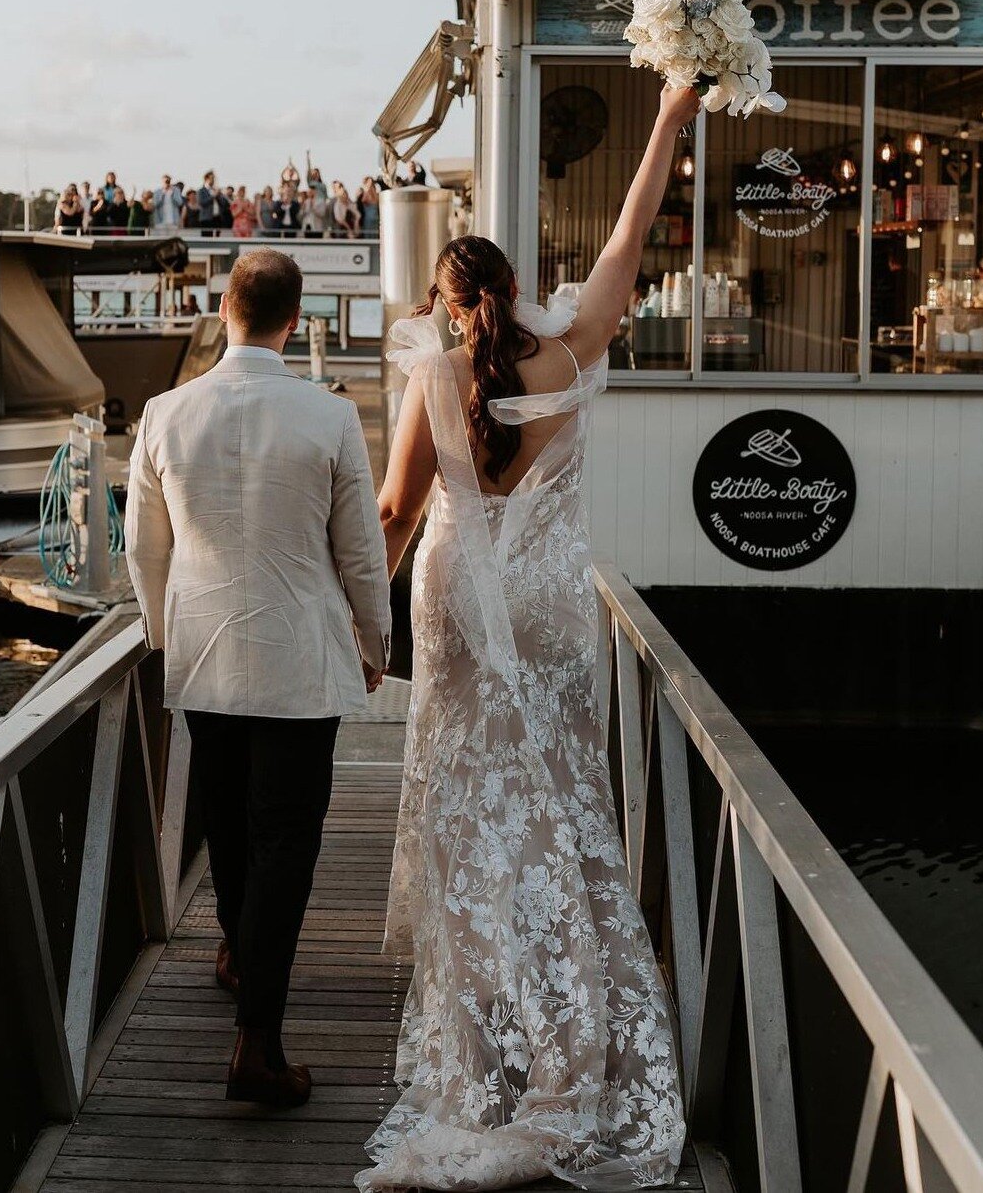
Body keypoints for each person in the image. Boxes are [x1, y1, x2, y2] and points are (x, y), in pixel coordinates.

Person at [359, 84, 699, 1192]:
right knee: (557, 790)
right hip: (552, 599)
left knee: (467, 799)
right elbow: (630, 230)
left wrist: (362, 619)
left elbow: (397, 514)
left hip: (457, 600)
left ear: (445, 300)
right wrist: (668, 117)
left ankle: (482, 1031)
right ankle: (571, 1021)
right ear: (512, 288)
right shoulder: (572, 347)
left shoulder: (434, 375)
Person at [126, 249, 391, 1110]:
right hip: (298, 657)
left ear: (225, 308)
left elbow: (143, 548)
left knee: (233, 826)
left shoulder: (165, 412)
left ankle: (239, 956)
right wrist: (375, 637)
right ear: (294, 317)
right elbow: (359, 549)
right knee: (286, 838)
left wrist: (164, 635)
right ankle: (259, 1043)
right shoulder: (327, 415)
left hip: (203, 654)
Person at [199, 170, 226, 236]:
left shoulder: (216, 190)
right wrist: (213, 196)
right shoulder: (202, 191)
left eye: (214, 178)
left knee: (217, 237)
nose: (213, 180)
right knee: (207, 238)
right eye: (211, 178)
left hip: (217, 218)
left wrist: (219, 195)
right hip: (206, 219)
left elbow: (223, 204)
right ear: (206, 179)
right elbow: (202, 203)